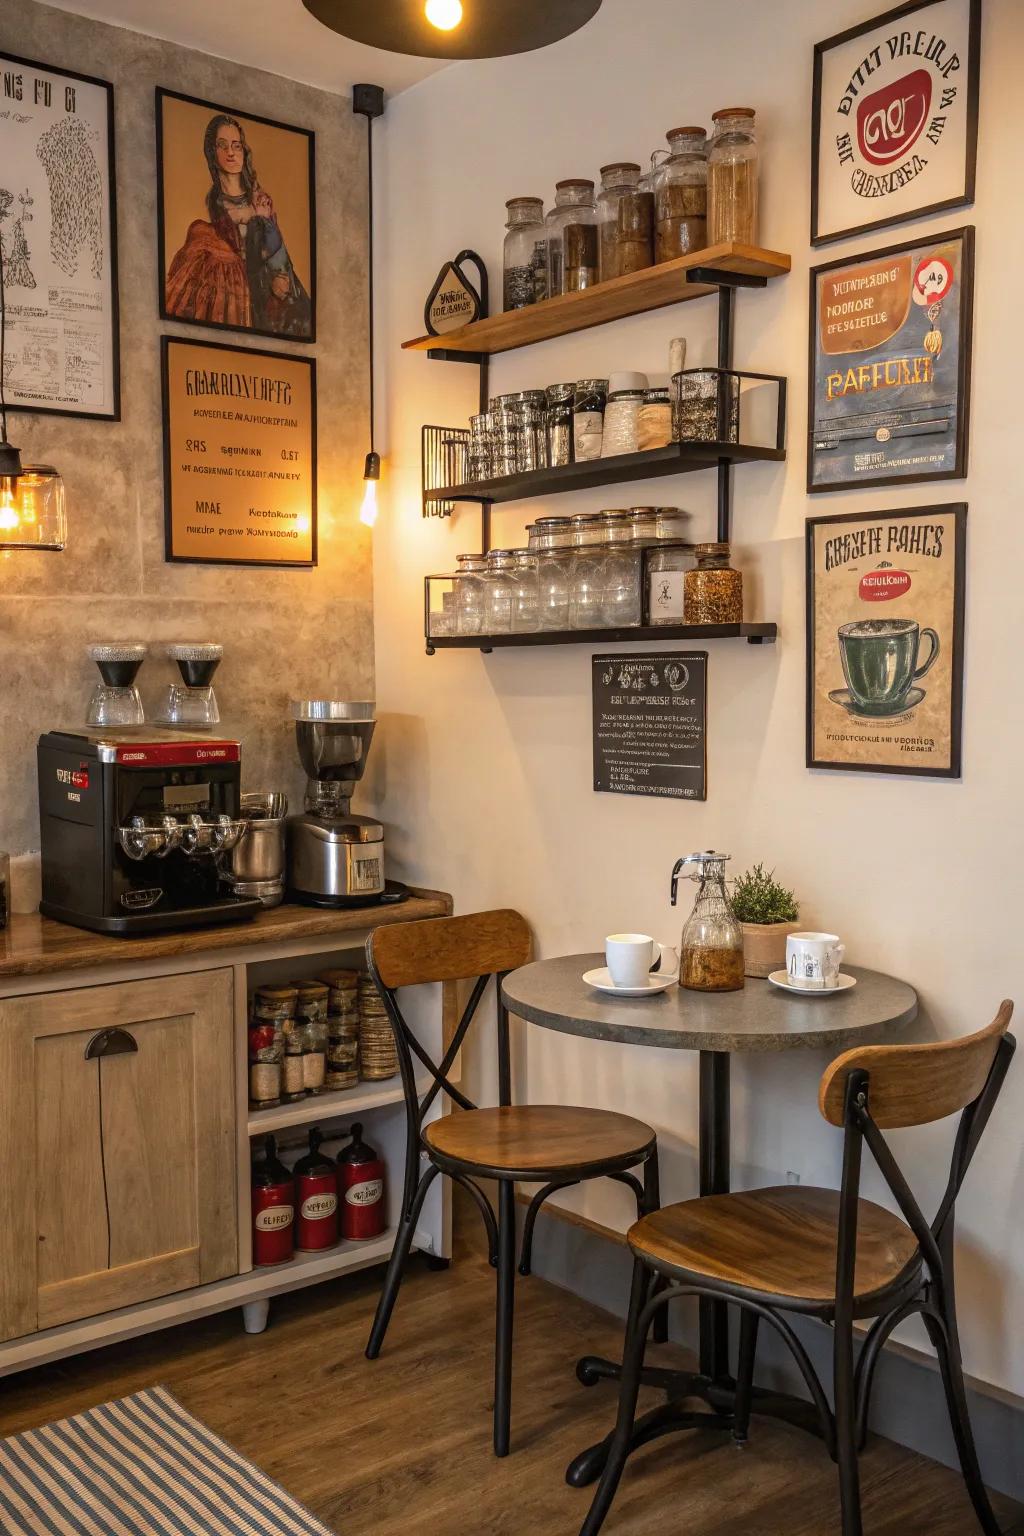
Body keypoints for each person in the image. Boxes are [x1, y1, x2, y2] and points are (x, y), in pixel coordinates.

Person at [165, 113, 311, 336]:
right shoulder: (212, 204)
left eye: (236, 146)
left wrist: (259, 218)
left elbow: (278, 257)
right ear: (212, 154)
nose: (230, 153)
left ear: (244, 152)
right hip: (231, 295)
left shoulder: (259, 199)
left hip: (264, 294)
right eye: (222, 146)